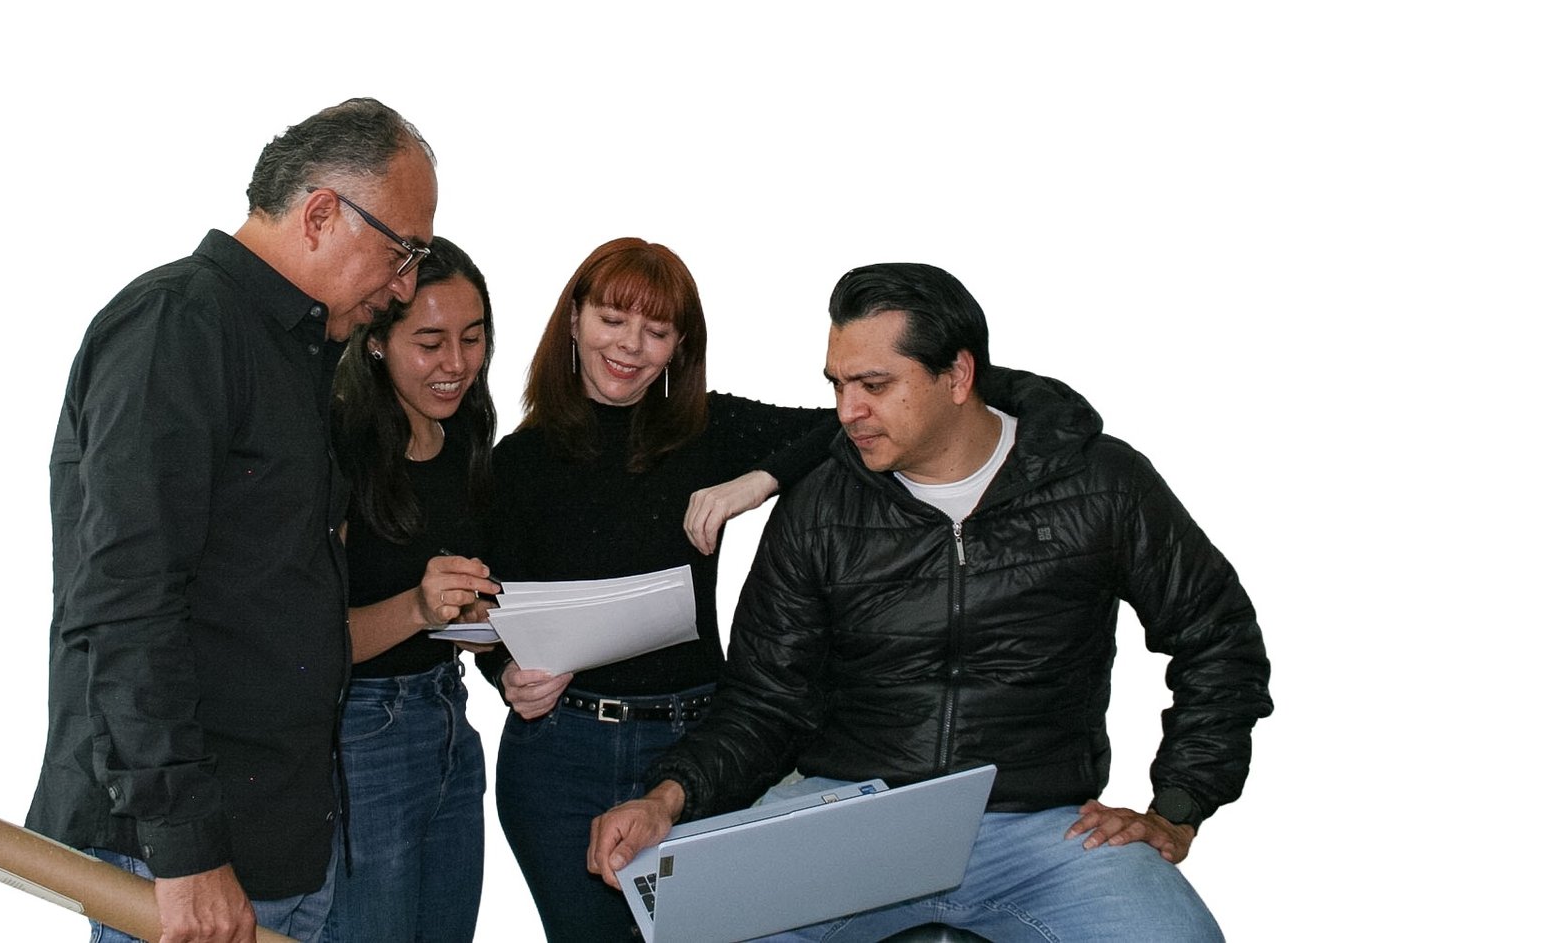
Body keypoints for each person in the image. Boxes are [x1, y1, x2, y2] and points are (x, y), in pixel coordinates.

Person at [589, 262, 1273, 943]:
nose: (847, 411)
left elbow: (1218, 639)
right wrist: (666, 797)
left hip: (1037, 829)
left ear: (959, 377)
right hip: (848, 818)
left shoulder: (1102, 484)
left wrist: (1178, 806)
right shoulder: (820, 506)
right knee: (689, 931)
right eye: (838, 385)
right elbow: (765, 702)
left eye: (875, 385)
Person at [27, 98, 439, 943]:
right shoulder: (179, 326)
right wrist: (186, 853)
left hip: (279, 839)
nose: (405, 288)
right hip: (191, 864)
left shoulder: (293, 349)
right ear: (322, 213)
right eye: (404, 253)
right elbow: (127, 603)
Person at [483, 236, 832, 942]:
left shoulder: (710, 429)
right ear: (574, 319)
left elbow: (847, 427)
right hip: (559, 755)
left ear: (679, 347)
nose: (631, 346)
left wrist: (757, 481)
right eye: (613, 320)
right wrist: (506, 673)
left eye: (657, 330)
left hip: (699, 744)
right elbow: (492, 610)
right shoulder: (515, 461)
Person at [324, 237, 503, 943]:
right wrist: (419, 608)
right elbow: (313, 647)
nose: (456, 364)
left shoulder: (466, 437)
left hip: (449, 717)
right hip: (360, 733)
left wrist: (489, 623)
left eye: (473, 337)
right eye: (429, 342)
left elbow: (461, 611)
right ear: (376, 343)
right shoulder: (335, 449)